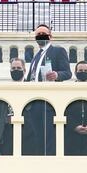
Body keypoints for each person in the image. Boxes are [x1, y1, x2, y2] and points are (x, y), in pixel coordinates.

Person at [22, 25, 71, 155]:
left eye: (44, 33)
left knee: (49, 137)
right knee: (37, 138)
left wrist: (57, 75)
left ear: (50, 36)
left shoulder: (58, 51)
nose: (41, 36)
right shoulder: (36, 56)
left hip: (49, 102)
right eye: (38, 34)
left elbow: (68, 73)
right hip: (34, 102)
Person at [0, 58, 25, 155]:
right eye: (13, 68)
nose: (16, 70)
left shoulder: (31, 88)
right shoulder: (3, 90)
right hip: (6, 131)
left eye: (18, 68)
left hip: (25, 132)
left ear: (24, 70)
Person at [65, 61, 87, 156]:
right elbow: (64, 112)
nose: (83, 72)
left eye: (85, 70)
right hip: (71, 138)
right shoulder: (68, 91)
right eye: (80, 70)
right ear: (75, 72)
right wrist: (74, 126)